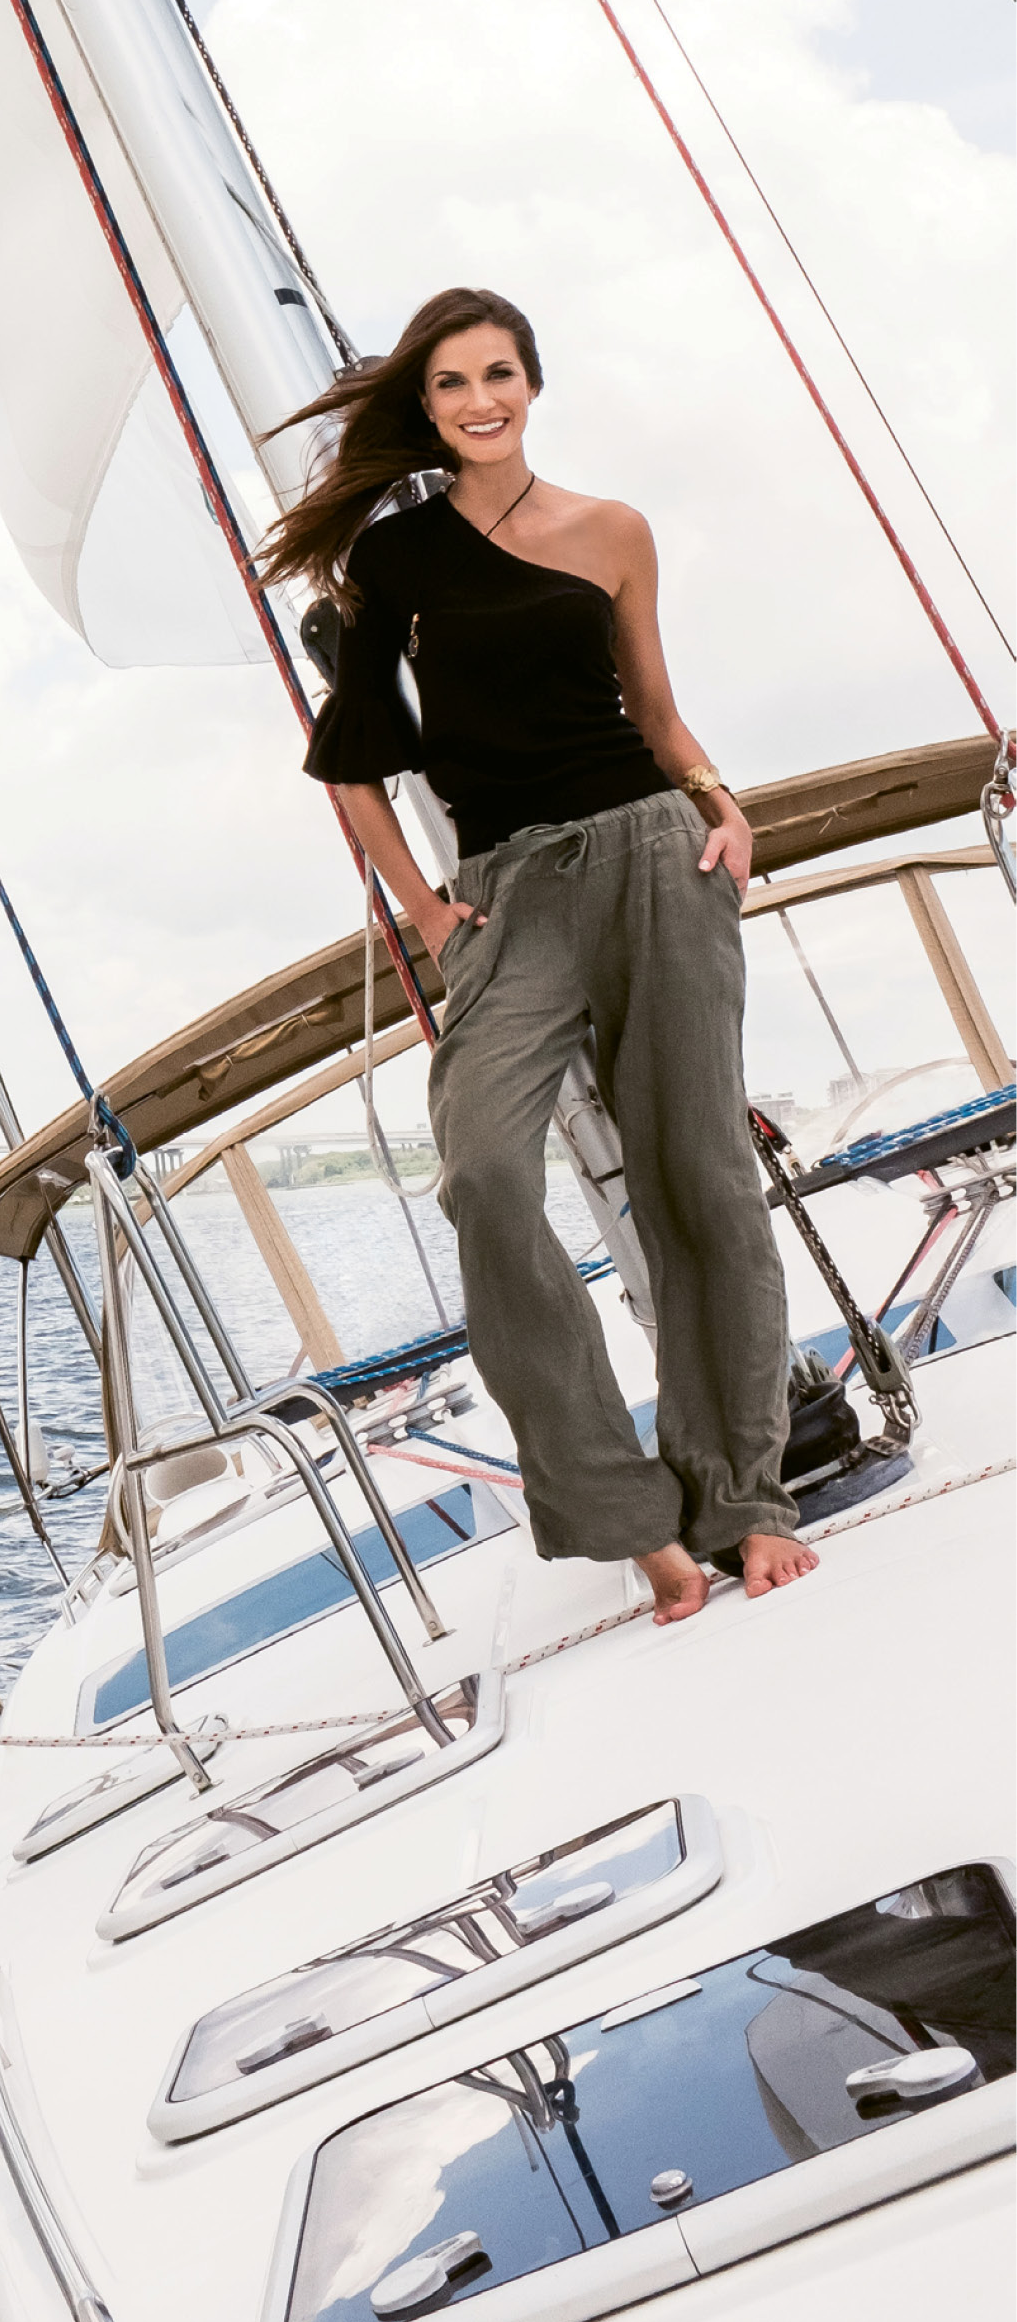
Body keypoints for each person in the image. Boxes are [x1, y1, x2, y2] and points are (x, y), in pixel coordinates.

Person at [258, 285, 815, 1625]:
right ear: (425, 406)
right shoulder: (395, 565)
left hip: (654, 856)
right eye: (450, 384)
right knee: (485, 1176)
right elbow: (348, 773)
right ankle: (627, 1514)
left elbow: (657, 711)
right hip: (509, 892)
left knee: (700, 1183)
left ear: (531, 382)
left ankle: (739, 1499)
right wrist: (430, 913)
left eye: (498, 373)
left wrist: (725, 806)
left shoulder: (613, 530)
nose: (479, 400)